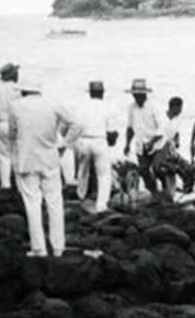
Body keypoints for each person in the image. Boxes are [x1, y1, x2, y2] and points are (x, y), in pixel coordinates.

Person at [9, 81, 79, 257]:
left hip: (26, 161)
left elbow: (12, 135)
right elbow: (76, 124)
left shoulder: (16, 106)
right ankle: (58, 247)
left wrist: (14, 157)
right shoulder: (52, 103)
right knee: (55, 203)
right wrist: (64, 144)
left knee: (32, 204)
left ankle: (39, 248)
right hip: (50, 159)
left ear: (24, 90)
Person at [122, 79, 165, 201]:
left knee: (157, 168)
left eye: (139, 94)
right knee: (143, 171)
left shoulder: (154, 106)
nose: (136, 96)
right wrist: (127, 143)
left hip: (157, 144)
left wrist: (152, 142)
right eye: (134, 94)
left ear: (144, 94)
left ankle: (166, 188)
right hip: (141, 145)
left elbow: (162, 128)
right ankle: (155, 193)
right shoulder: (131, 108)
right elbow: (130, 127)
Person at [75, 81, 113, 213]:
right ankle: (102, 205)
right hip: (99, 140)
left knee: (83, 171)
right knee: (104, 175)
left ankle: (81, 197)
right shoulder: (106, 106)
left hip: (84, 140)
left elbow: (76, 125)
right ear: (102, 93)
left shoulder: (82, 106)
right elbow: (110, 130)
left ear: (90, 93)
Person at [153, 97, 195, 199]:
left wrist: (177, 141)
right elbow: (157, 137)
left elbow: (176, 132)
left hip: (170, 150)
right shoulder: (162, 119)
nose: (181, 111)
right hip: (160, 150)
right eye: (180, 108)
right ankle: (167, 193)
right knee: (169, 169)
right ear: (174, 107)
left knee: (190, 170)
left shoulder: (177, 119)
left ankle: (183, 193)